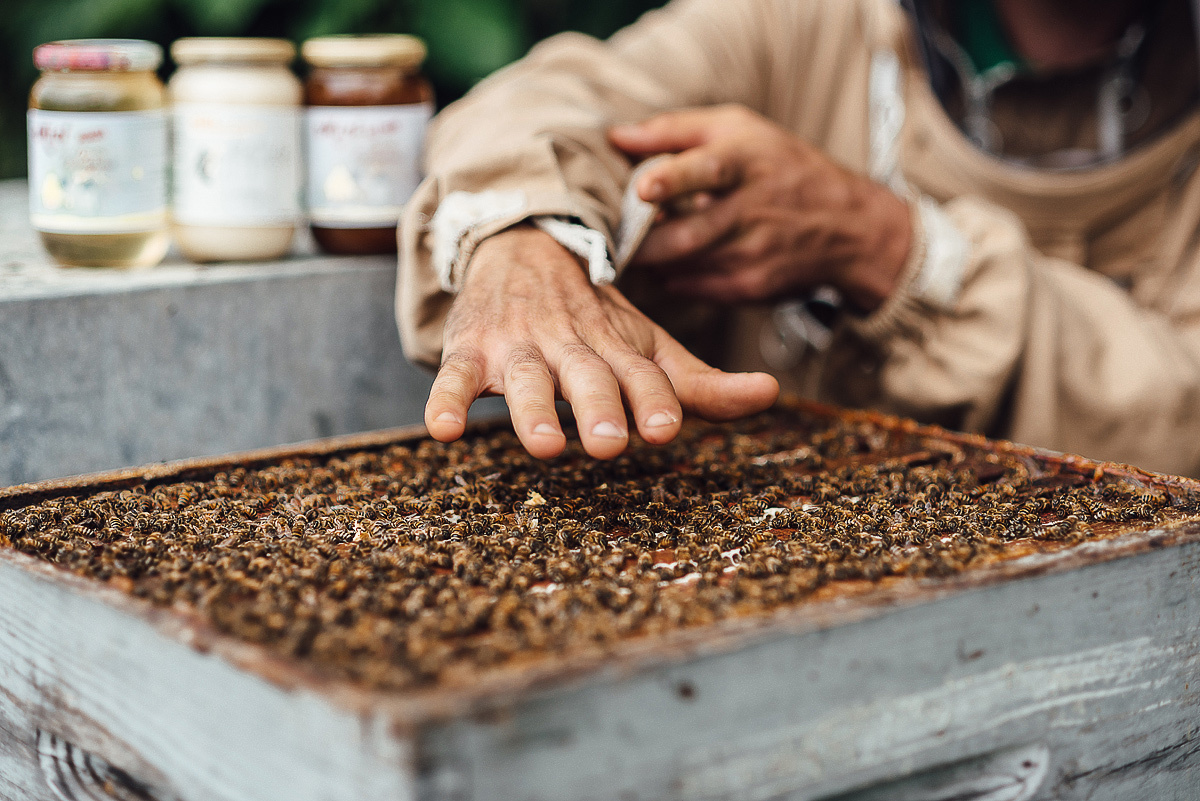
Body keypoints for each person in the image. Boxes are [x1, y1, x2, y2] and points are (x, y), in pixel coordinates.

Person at [396, 0, 1200, 477]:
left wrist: (893, 250)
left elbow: (1176, 417)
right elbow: (544, 101)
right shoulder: (797, 23)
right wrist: (527, 243)